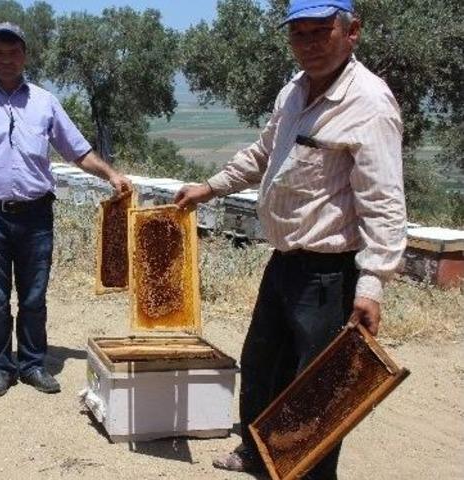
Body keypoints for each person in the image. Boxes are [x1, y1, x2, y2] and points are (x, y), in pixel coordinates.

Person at [174, 1, 406, 478]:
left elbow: (384, 204)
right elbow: (262, 154)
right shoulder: (293, 93)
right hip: (283, 262)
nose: (309, 44)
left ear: (352, 31)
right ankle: (258, 455)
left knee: (317, 393)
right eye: (299, 34)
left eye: (321, 32)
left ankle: (311, 473)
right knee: (262, 365)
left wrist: (372, 285)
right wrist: (210, 187)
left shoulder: (370, 103)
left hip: (327, 274)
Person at [0, 22, 131, 398]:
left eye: (13, 52)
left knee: (34, 296)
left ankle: (32, 364)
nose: (6, 60)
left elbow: (77, 150)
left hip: (36, 215)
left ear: (25, 56)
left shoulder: (45, 102)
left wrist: (111, 175)